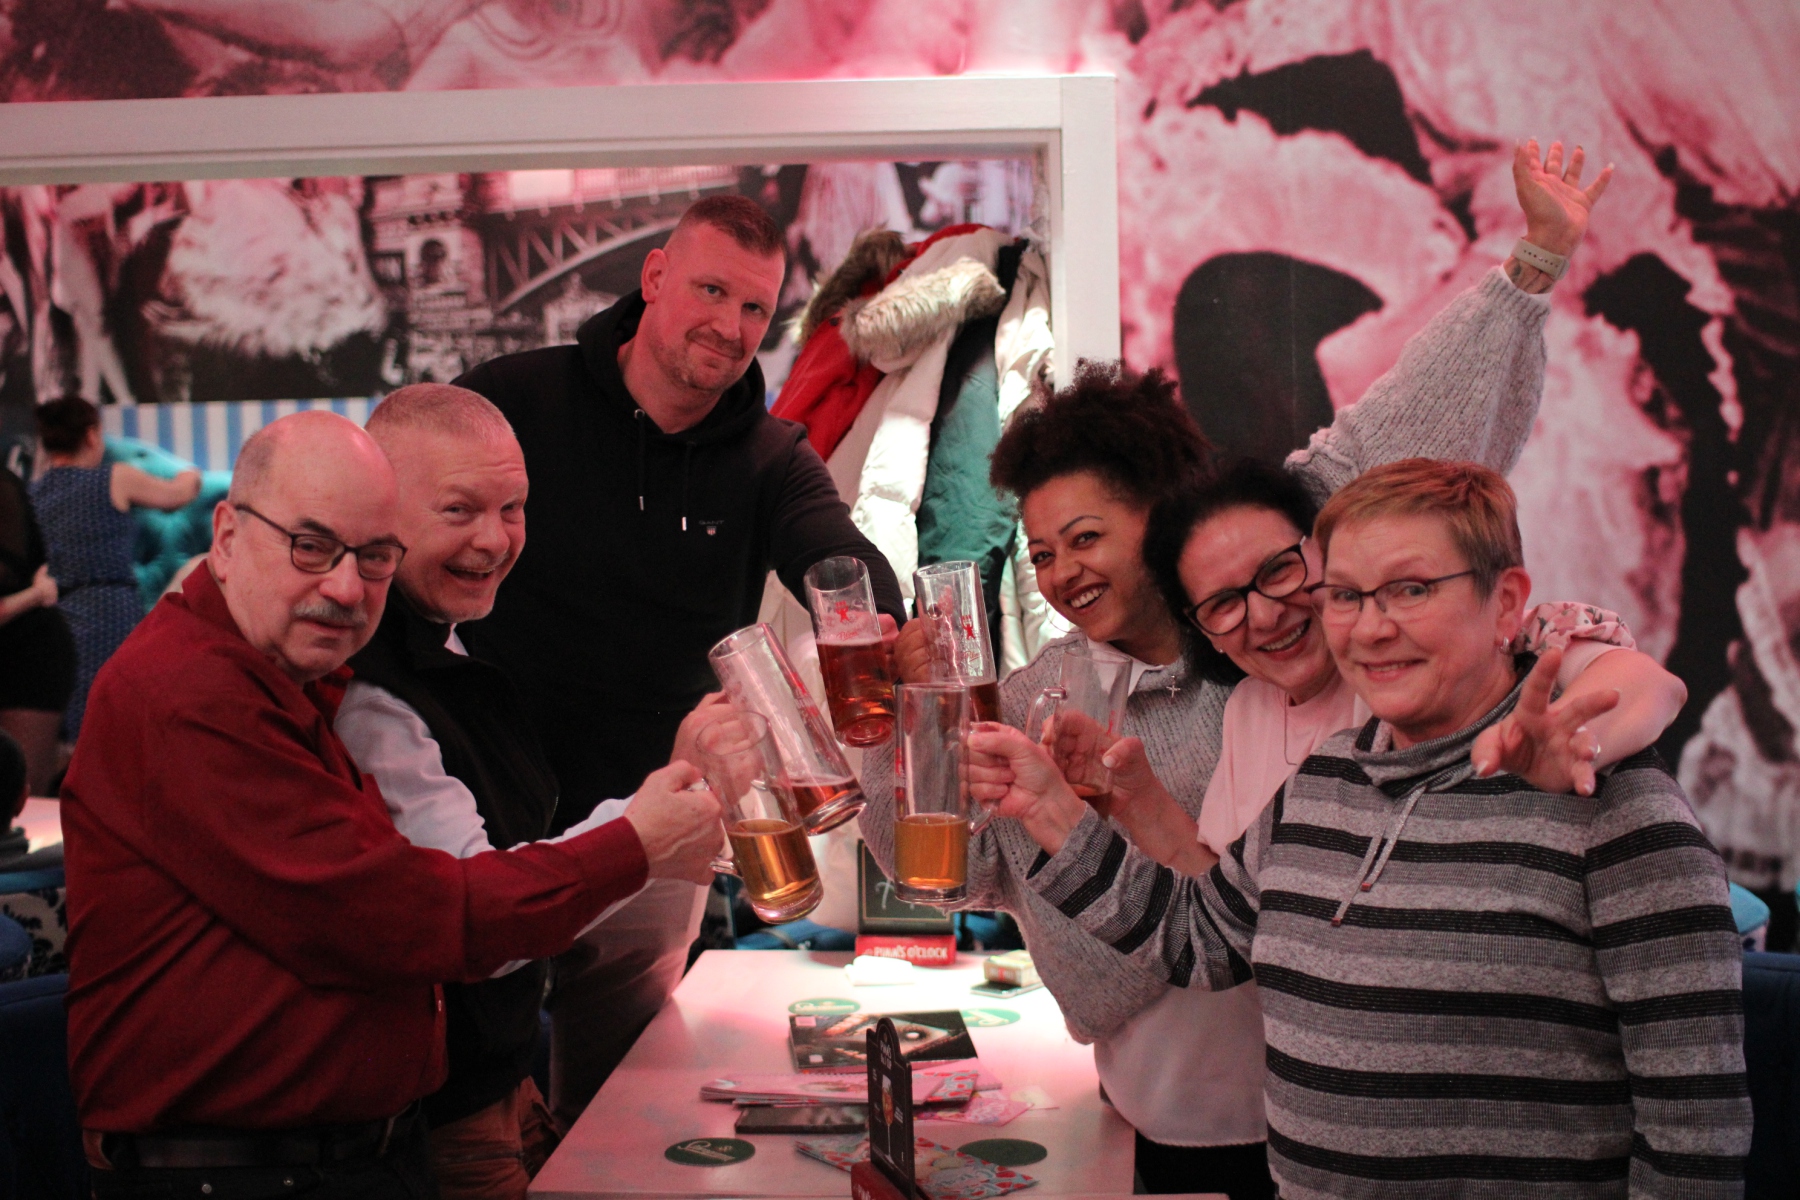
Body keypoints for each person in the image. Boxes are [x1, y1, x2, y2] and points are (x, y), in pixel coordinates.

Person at [867, 138, 1615, 1199]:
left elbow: (1407, 425)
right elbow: (950, 866)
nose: (1063, 573)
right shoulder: (1042, 697)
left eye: (1087, 538)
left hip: (1351, 1121)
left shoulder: (1290, 589)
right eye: (1042, 553)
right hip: (1156, 1112)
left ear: (1165, 514)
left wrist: (1531, 264)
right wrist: (889, 720)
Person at [977, 459, 1751, 1199]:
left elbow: (1695, 1131)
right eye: (1346, 595)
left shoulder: (1619, 806)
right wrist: (1052, 810)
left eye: (1410, 590)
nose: (1372, 628)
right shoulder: (1324, 779)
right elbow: (1205, 936)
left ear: (1507, 602)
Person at [61, 411, 725, 1200]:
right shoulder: (193, 694)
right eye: (311, 546)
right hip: (247, 1172)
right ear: (228, 536)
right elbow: (411, 918)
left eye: (373, 557)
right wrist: (637, 844)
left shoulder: (286, 675)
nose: (346, 587)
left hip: (338, 1154)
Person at [455, 193, 904, 1123]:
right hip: (485, 820)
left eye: (755, 308)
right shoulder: (513, 399)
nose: (730, 326)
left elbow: (839, 558)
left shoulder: (772, 456)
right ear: (655, 276)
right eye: (711, 291)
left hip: (658, 831)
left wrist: (874, 622)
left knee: (620, 1113)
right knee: (472, 1106)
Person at [334, 383, 723, 1196]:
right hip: (440, 1123)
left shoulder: (449, 646)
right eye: (459, 510)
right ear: (379, 512)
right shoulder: (371, 696)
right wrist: (650, 822)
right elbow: (481, 918)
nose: (494, 538)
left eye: (512, 508)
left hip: (505, 1087)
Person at [29, 396, 200, 740]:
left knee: (73, 728)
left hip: (54, 621)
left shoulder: (33, 493)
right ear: (92, 435)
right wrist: (190, 474)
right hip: (111, 612)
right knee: (117, 716)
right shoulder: (114, 478)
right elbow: (178, 495)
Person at [0, 460, 75, 795]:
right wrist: (36, 593)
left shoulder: (4, 490)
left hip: (26, 650)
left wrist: (35, 595)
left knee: (20, 793)